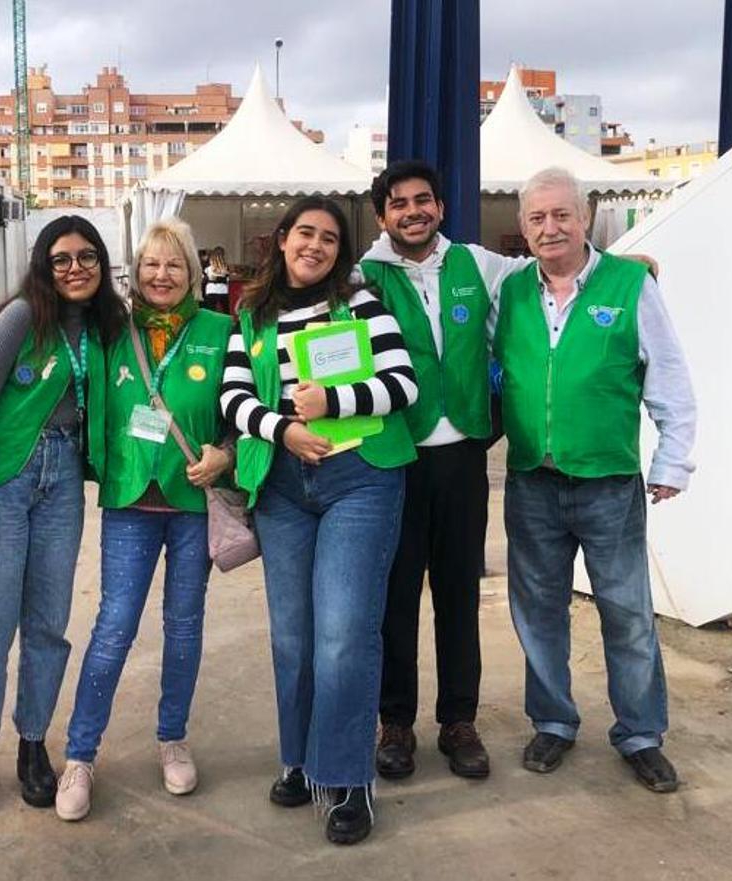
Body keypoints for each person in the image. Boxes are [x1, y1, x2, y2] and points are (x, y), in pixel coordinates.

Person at [220, 196, 419, 845]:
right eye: (305, 232)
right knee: (293, 637)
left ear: (340, 252)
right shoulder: (249, 313)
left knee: (343, 633)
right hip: (282, 484)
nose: (316, 245)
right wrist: (284, 429)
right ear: (282, 240)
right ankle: (302, 760)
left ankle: (347, 778)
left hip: (359, 478)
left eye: (330, 238)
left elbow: (402, 383)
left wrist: (333, 398)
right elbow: (233, 396)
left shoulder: (358, 304)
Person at [492, 166, 695, 792]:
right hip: (532, 481)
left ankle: (640, 733)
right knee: (538, 612)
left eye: (562, 215)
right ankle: (553, 721)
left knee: (627, 613)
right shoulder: (511, 289)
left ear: (585, 217)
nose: (550, 228)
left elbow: (669, 377)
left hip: (609, 483)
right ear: (522, 227)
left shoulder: (630, 283)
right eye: (537, 218)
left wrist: (673, 461)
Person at [0, 216, 127, 819]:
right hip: (0, 477)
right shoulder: (22, 316)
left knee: (48, 624)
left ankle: (32, 743)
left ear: (102, 265)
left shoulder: (104, 328)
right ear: (44, 267)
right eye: (62, 259)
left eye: (88, 258)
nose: (76, 269)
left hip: (62, 481)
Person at [359, 160, 534, 780]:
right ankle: (396, 722)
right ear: (382, 216)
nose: (414, 211)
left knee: (459, 593)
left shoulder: (479, 264)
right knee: (395, 595)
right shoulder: (363, 277)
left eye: (423, 200)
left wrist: (628, 262)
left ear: (440, 206)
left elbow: (553, 271)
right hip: (394, 458)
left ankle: (459, 720)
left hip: (463, 457)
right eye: (399, 203)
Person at [55, 219, 234, 822]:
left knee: (184, 626)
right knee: (114, 627)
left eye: (174, 265)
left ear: (193, 271)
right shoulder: (113, 330)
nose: (162, 276)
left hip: (190, 500)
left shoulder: (220, 330)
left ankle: (172, 737)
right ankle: (80, 755)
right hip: (130, 499)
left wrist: (226, 454)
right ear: (139, 271)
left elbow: (239, 410)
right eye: (152, 265)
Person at [202, 246, 231, 314]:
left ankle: (211, 324)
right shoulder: (225, 268)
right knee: (225, 311)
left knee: (210, 312)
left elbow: (203, 278)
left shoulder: (208, 269)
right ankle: (227, 324)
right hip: (223, 291)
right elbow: (227, 280)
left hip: (211, 290)